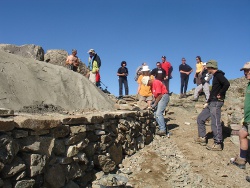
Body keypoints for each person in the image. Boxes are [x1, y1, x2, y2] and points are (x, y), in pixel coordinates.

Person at [195, 60, 230, 151]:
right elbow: (214, 91)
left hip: (216, 102)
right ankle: (202, 138)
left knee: (215, 122)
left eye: (207, 67)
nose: (206, 68)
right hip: (211, 102)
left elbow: (227, 83)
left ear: (211, 67)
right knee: (200, 118)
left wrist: (221, 93)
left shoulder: (219, 75)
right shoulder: (215, 76)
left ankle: (218, 143)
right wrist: (208, 101)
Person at [230, 62, 250, 169]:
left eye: (248, 70)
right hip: (247, 119)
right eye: (244, 71)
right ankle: (242, 160)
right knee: (242, 133)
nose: (245, 73)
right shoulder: (248, 85)